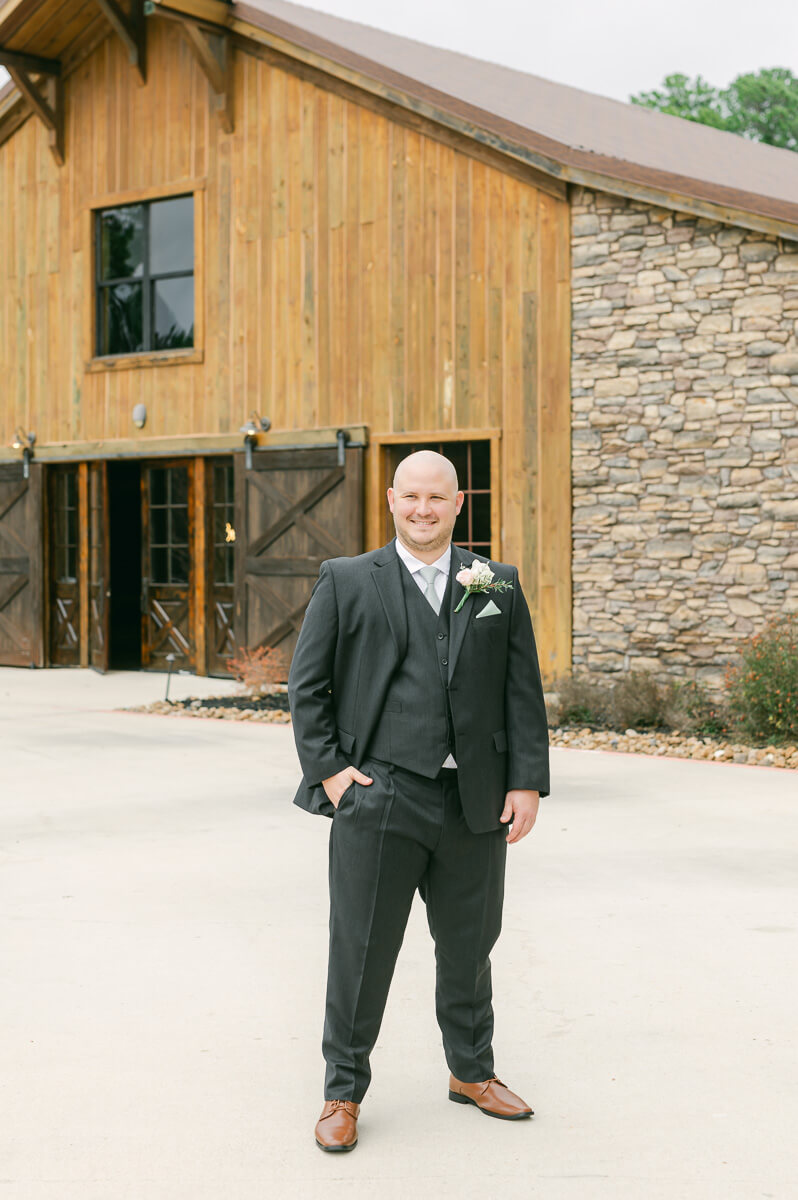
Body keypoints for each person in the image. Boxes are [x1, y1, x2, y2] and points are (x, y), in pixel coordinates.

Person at [287, 450, 551, 1152]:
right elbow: (307, 687)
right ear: (392, 500)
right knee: (362, 950)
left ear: (459, 504)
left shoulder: (494, 582)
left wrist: (524, 781)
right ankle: (341, 1091)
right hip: (381, 795)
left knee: (470, 948)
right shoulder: (346, 580)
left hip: (475, 799)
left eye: (437, 498)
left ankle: (471, 1073)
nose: (423, 509)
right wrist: (334, 775)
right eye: (411, 497)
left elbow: (520, 691)